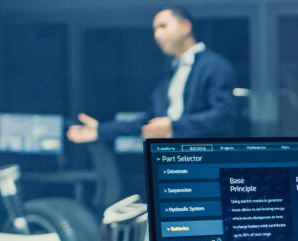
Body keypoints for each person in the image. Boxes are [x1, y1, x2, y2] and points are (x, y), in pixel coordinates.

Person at [67, 6, 236, 143]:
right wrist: (101, 130)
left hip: (204, 162)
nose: (157, 35)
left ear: (185, 27)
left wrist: (172, 127)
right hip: (171, 160)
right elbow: (150, 120)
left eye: (163, 26)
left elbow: (224, 115)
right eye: (155, 29)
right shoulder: (171, 73)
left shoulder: (215, 66)